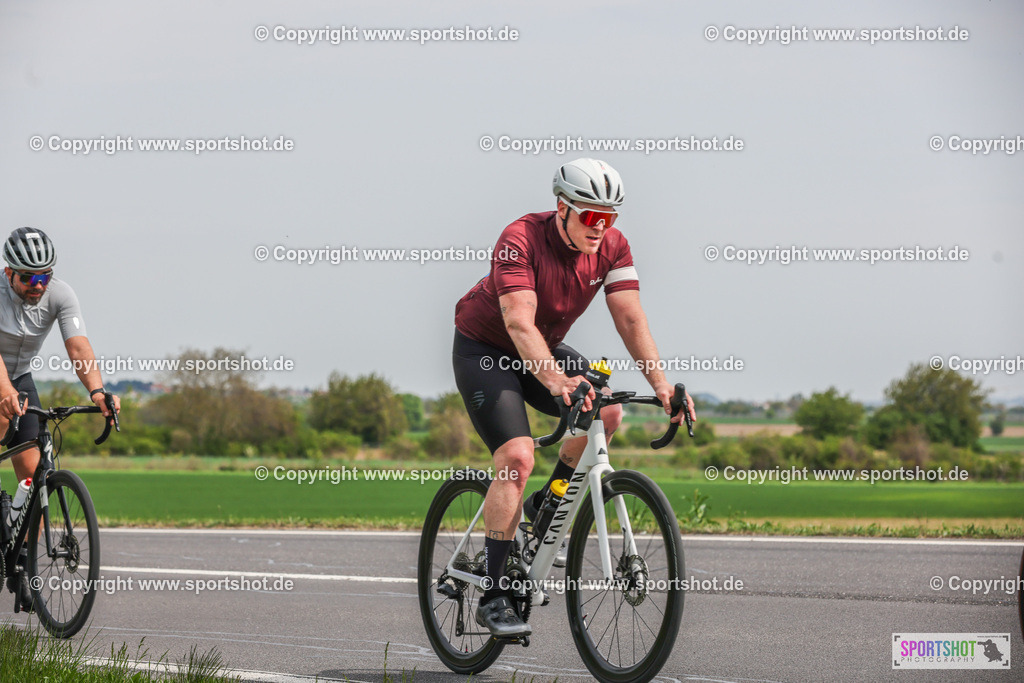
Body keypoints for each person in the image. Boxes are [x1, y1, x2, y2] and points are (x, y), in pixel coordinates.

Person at [452, 158, 695, 637]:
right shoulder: (520, 237)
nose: (600, 228)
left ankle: (549, 501)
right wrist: (557, 381)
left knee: (607, 409)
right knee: (517, 458)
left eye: (610, 218)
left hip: (542, 344)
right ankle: (496, 592)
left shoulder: (613, 247)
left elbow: (629, 317)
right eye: (590, 217)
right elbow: (519, 322)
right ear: (562, 208)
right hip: (487, 349)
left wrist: (662, 385)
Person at [0, 227, 120, 612]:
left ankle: (23, 561)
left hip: (19, 379)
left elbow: (78, 346)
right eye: (29, 278)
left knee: (34, 476)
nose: (38, 285)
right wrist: (3, 393)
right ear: (9, 274)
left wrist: (97, 392)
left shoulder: (60, 294)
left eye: (45, 276)